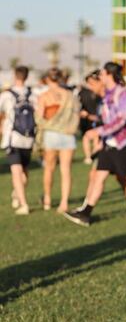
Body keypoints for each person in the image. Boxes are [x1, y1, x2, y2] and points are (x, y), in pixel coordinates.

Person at [63, 62, 126, 227]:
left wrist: (98, 132)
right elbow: (108, 119)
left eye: (103, 73)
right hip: (109, 143)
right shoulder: (107, 95)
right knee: (98, 176)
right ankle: (86, 212)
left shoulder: (123, 94)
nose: (100, 76)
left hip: (125, 143)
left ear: (110, 74)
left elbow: (121, 119)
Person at [36, 68, 80, 213]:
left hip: (51, 135)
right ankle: (64, 203)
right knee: (65, 170)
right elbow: (76, 115)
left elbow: (39, 118)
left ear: (48, 79)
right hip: (68, 135)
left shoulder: (44, 96)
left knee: (49, 168)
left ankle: (47, 199)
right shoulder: (69, 95)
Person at [0, 65, 36, 215]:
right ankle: (17, 194)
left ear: (15, 76)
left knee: (16, 171)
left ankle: (23, 204)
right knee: (24, 171)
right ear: (27, 76)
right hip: (28, 138)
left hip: (12, 138)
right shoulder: (33, 94)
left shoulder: (6, 95)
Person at [78, 72, 102, 164]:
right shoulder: (84, 93)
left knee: (93, 138)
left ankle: (91, 156)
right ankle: (91, 156)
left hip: (95, 119)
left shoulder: (98, 93)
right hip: (88, 119)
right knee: (89, 137)